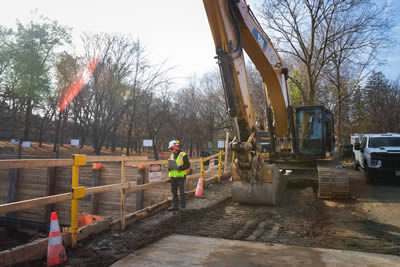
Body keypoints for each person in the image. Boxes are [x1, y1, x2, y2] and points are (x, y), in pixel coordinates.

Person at [168, 140, 190, 211]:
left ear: (175, 147)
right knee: (174, 192)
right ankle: (175, 206)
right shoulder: (172, 155)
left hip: (180, 177)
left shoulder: (183, 155)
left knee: (181, 192)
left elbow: (187, 165)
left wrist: (179, 168)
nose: (171, 150)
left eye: (171, 148)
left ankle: (183, 207)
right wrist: (169, 168)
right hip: (173, 177)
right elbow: (172, 164)